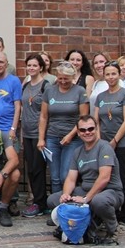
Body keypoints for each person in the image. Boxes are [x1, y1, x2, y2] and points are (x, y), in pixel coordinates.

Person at [46, 115, 124, 245]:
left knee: (99, 201)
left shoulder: (104, 147)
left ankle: (112, 229)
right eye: (83, 130)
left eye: (90, 128)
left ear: (96, 129)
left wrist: (86, 198)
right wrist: (65, 195)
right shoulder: (78, 151)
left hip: (109, 191)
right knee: (53, 200)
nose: (87, 132)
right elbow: (71, 178)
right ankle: (71, 227)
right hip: (85, 190)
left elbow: (104, 178)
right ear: (78, 132)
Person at [94, 61, 125, 233]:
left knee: (122, 180)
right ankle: (109, 214)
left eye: (113, 74)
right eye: (108, 74)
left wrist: (115, 141)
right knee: (105, 179)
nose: (111, 77)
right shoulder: (101, 97)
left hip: (120, 144)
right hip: (103, 145)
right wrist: (99, 141)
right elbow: (96, 121)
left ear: (119, 75)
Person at [37, 62, 89, 195]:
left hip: (73, 139)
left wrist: (70, 135)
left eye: (66, 78)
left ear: (72, 77)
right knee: (54, 176)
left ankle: (67, 203)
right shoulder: (50, 91)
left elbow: (83, 118)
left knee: (65, 175)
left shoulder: (80, 91)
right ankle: (56, 207)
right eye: (60, 78)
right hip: (52, 137)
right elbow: (43, 116)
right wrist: (41, 138)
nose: (63, 81)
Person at [20, 54, 51, 218]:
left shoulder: (46, 85)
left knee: (39, 169)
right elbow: (24, 110)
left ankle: (40, 203)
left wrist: (42, 137)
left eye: (34, 65)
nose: (31, 68)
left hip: (40, 134)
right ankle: (40, 201)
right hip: (27, 133)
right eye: (29, 65)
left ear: (41, 67)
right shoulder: (25, 85)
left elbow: (46, 113)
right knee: (30, 169)